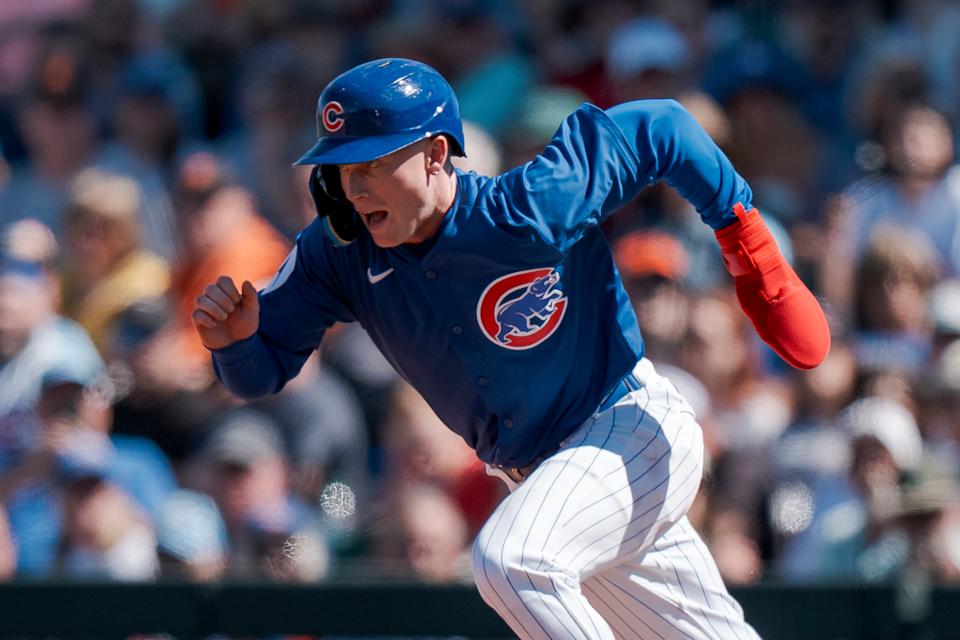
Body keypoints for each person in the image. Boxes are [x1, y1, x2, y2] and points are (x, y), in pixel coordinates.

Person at [193, 58, 830, 639]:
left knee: (512, 561)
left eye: (371, 164)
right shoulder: (335, 255)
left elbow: (662, 127)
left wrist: (747, 241)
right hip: (549, 483)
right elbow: (260, 376)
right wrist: (236, 345)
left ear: (436, 153)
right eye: (340, 168)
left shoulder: (528, 205)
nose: (352, 187)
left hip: (628, 426)